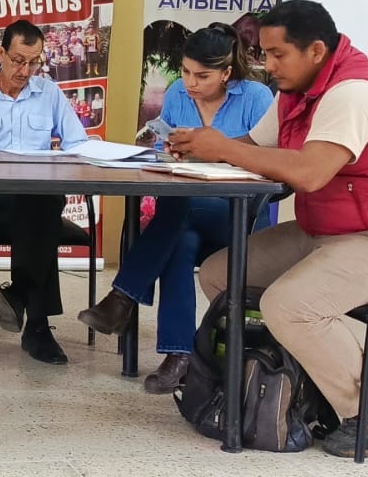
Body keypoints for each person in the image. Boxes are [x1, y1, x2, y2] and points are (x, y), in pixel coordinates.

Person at [165, 0, 368, 459]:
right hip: (328, 231)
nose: (268, 64)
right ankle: (283, 385)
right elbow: (253, 146)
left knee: (290, 306)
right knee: (222, 274)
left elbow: (310, 172)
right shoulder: (296, 90)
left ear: (316, 50)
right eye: (264, 53)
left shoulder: (355, 93)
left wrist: (223, 149)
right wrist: (200, 148)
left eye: (278, 54)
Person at [77, 23, 274, 392]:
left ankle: (122, 298)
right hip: (188, 215)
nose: (190, 83)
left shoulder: (256, 97)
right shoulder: (177, 95)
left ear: (226, 73)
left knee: (179, 208)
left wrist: (216, 154)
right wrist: (169, 152)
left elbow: (268, 160)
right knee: (180, 240)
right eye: (185, 71)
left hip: (239, 215)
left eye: (202, 75)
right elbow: (165, 147)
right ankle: (178, 357)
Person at [0, 20, 90, 364]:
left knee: (39, 205)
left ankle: (19, 295)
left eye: (33, 62)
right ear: (0, 53)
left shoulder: (49, 94)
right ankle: (37, 328)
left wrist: (66, 158)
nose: (25, 71)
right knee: (42, 217)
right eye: (17, 61)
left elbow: (78, 143)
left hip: (39, 197)